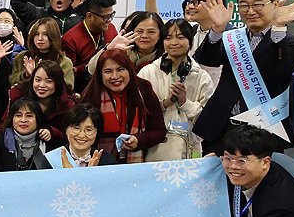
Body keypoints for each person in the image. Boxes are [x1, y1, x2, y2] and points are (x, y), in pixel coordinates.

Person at [193, 0, 294, 152]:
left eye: (258, 4)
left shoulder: (291, 42)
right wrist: (217, 30)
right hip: (223, 127)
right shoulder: (232, 37)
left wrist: (278, 28)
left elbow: (280, 70)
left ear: (275, 4)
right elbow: (207, 59)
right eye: (244, 5)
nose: (250, 11)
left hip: (266, 129)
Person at [138, 19, 214, 161]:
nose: (173, 42)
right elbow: (137, 113)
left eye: (180, 37)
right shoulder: (147, 73)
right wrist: (165, 103)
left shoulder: (202, 77)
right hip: (154, 151)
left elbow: (209, 122)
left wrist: (185, 103)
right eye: (168, 38)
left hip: (190, 151)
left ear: (190, 42)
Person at [79, 48, 167, 163]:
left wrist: (138, 140)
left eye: (120, 69)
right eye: (108, 71)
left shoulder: (143, 89)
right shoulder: (91, 95)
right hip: (99, 163)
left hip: (137, 165)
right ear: (100, 74)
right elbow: (81, 134)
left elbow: (159, 131)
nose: (115, 76)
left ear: (129, 70)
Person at [4, 60, 76, 145]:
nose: (41, 85)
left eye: (49, 81)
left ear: (57, 83)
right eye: (38, 80)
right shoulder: (18, 95)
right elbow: (4, 125)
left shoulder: (67, 106)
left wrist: (52, 132)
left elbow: (71, 136)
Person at [61, 0, 118, 94]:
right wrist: (88, 66)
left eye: (111, 15)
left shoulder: (111, 29)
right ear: (89, 16)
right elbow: (70, 73)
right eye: (105, 17)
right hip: (84, 90)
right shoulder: (70, 39)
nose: (109, 20)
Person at [90, 11, 164, 76]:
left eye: (151, 32)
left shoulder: (166, 56)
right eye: (139, 31)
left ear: (160, 34)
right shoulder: (122, 50)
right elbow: (92, 70)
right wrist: (109, 49)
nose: (144, 36)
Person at [44, 104, 111, 168]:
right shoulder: (49, 160)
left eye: (88, 130)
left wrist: (91, 172)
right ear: (66, 129)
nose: (81, 135)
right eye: (76, 128)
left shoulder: (108, 162)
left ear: (97, 132)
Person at [0, 97, 52, 171]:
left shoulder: (49, 142)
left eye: (29, 116)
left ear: (38, 118)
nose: (23, 120)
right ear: (12, 119)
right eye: (18, 115)